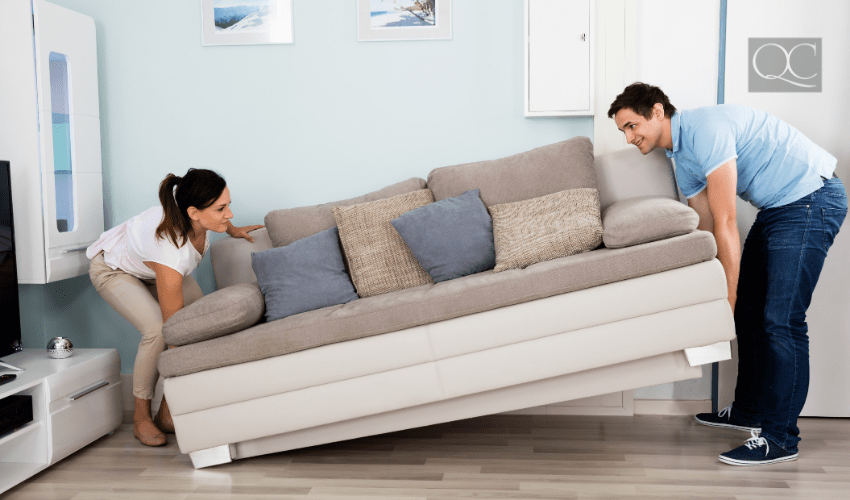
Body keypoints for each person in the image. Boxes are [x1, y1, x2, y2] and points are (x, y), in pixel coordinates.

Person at [607, 82, 847, 466]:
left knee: (781, 320)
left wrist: (727, 298)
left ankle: (781, 436)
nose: (629, 137)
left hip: (810, 199)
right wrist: (712, 294)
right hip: (778, 209)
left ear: (657, 111)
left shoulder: (706, 130)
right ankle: (749, 412)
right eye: (623, 131)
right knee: (751, 313)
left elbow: (726, 222)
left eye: (632, 125)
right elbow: (705, 232)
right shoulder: (681, 158)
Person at [86, 169, 263, 446]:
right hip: (114, 270)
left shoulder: (197, 218)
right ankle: (140, 417)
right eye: (221, 208)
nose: (228, 214)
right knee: (161, 332)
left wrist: (234, 230)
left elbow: (218, 218)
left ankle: (166, 415)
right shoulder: (171, 250)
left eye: (228, 205)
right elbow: (175, 333)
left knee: (203, 323)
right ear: (193, 213)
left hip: (150, 268)